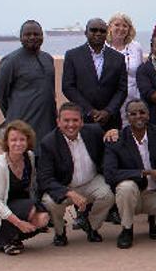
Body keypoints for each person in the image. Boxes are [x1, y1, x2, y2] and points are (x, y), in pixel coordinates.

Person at [103, 100, 156, 249]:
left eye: (142, 112)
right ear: (127, 117)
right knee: (126, 187)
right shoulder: (117, 139)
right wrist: (144, 173)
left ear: (148, 114)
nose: (138, 116)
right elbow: (110, 174)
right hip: (131, 196)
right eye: (133, 114)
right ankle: (127, 229)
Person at [39, 102, 115, 246]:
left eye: (75, 120)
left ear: (81, 122)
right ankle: (60, 232)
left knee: (108, 194)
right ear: (58, 122)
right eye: (66, 120)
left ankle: (91, 226)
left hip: (91, 181)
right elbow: (45, 179)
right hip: (65, 185)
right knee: (50, 202)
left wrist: (113, 133)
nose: (71, 125)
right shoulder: (48, 143)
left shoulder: (94, 131)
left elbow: (110, 145)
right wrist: (69, 193)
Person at [0, 121, 49, 255]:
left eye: (22, 139)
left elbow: (32, 187)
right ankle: (1, 240)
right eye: (13, 140)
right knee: (32, 210)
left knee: (43, 218)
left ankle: (14, 238)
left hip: (19, 204)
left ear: (28, 140)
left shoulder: (30, 157)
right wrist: (20, 223)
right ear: (7, 142)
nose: (18, 143)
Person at [0, 21, 57, 147]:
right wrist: (13, 111)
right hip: (23, 122)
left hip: (48, 122)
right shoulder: (11, 61)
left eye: (36, 34)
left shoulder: (48, 59)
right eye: (27, 34)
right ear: (21, 37)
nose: (32, 37)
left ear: (42, 36)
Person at [62, 18, 128, 131]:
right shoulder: (72, 56)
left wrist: (108, 111)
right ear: (86, 32)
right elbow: (68, 87)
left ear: (107, 33)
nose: (98, 33)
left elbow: (122, 89)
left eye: (102, 31)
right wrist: (89, 111)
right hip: (82, 119)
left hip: (111, 120)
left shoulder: (118, 58)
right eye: (93, 30)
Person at [107, 12, 145, 127]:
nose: (121, 29)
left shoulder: (136, 47)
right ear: (110, 27)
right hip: (110, 98)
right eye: (117, 25)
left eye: (125, 26)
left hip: (133, 97)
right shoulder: (104, 47)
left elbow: (140, 73)